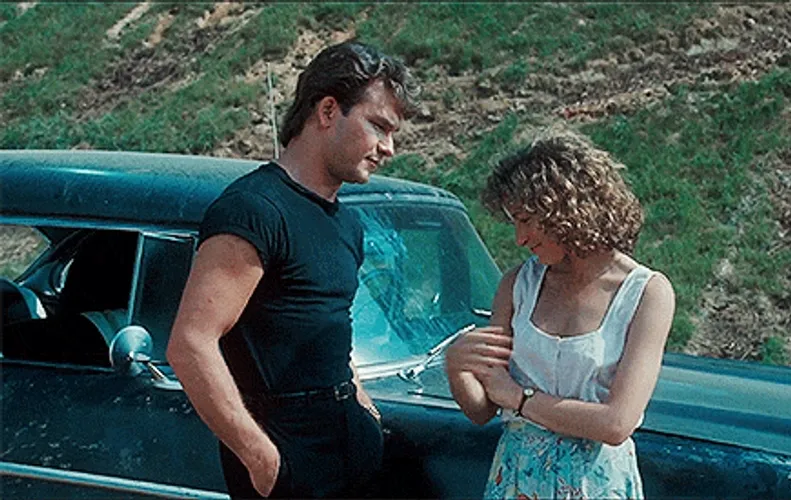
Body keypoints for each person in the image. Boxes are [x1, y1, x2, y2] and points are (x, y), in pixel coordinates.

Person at [166, 41, 418, 499]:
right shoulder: (254, 209)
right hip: (287, 455)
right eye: (378, 126)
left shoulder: (346, 221)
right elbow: (190, 344)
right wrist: (263, 461)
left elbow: (328, 328)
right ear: (328, 110)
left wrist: (364, 411)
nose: (389, 147)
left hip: (350, 441)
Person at [445, 130, 675, 499]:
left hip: (596, 484)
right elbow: (482, 410)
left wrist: (519, 398)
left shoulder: (647, 293)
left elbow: (617, 423)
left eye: (526, 219)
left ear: (566, 209)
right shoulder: (517, 284)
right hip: (517, 478)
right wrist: (457, 367)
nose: (519, 238)